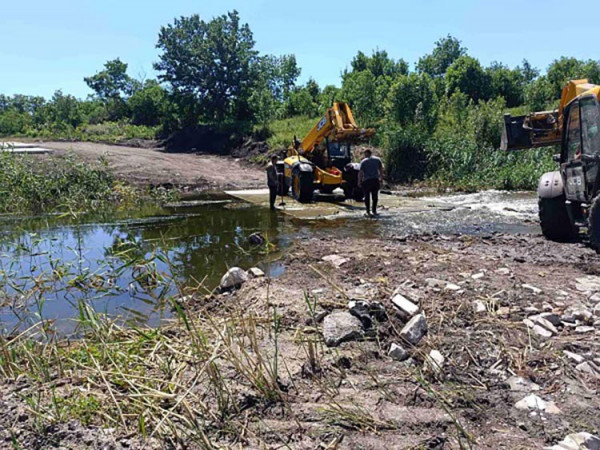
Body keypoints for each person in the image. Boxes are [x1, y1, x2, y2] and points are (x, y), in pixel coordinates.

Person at [358, 149, 384, 217]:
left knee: (367, 196)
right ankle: (374, 211)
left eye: (364, 154)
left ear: (366, 153)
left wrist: (359, 181)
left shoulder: (363, 161)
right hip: (375, 180)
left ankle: (368, 211)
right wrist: (381, 179)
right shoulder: (377, 160)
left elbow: (360, 173)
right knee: (375, 196)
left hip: (367, 181)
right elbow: (381, 169)